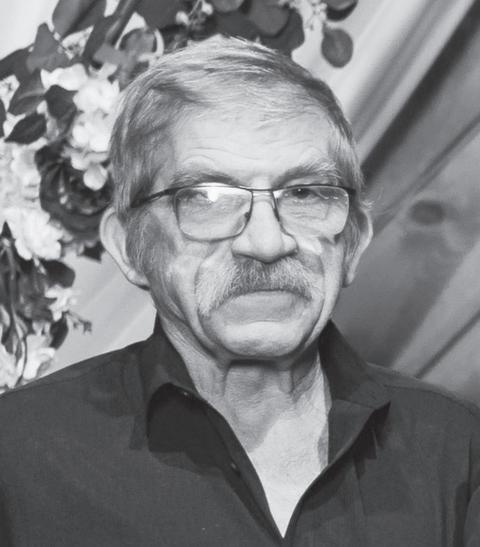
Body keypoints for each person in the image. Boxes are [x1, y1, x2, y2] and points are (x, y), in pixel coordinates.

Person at [0, 36, 479, 547]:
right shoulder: (20, 457)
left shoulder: (454, 449)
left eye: (304, 194)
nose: (266, 243)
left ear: (354, 242)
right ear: (130, 247)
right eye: (208, 198)